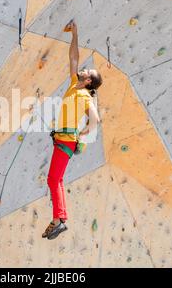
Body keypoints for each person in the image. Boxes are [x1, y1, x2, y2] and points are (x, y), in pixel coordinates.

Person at [43, 21, 103, 240]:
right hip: (63, 139)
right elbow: (73, 57)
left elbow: (96, 119)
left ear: (88, 81)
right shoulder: (73, 84)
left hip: (67, 140)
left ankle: (59, 220)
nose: (83, 69)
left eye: (87, 72)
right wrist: (75, 33)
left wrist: (83, 133)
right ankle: (60, 218)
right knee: (55, 179)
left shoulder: (85, 95)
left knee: (53, 178)